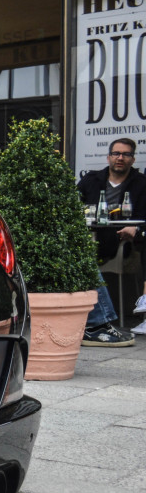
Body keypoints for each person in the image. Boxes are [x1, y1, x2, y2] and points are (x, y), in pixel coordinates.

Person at [76, 137, 146, 342]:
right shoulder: (92, 179)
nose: (120, 158)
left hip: (127, 242)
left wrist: (136, 227)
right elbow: (72, 205)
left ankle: (142, 301)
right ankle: (97, 320)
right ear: (108, 157)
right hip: (92, 238)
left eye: (125, 154)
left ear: (133, 159)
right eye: (116, 154)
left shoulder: (141, 183)